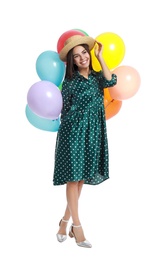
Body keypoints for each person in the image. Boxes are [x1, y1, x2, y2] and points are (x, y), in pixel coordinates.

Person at [53, 34, 117, 248]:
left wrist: (100, 56)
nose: (82, 58)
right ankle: (78, 228)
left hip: (93, 133)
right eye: (77, 56)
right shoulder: (70, 81)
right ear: (72, 61)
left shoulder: (98, 77)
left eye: (84, 53)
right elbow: (63, 110)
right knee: (73, 179)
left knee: (80, 181)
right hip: (73, 133)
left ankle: (64, 223)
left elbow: (111, 81)